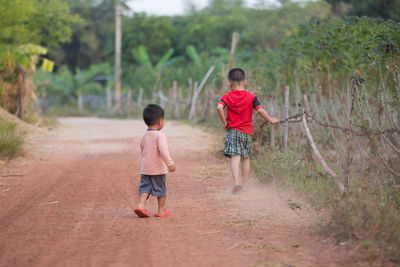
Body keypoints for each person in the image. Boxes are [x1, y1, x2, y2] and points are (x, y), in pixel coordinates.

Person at [216, 68, 279, 194]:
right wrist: (271, 120)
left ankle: (236, 183)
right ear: (245, 82)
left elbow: (219, 107)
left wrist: (225, 122)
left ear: (229, 84)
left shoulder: (226, 96)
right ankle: (244, 186)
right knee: (245, 158)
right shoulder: (251, 96)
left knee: (235, 157)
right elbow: (260, 110)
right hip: (247, 132)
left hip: (233, 131)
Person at [134, 104, 175, 218]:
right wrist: (170, 163)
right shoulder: (160, 135)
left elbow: (143, 150)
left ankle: (141, 205)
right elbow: (164, 151)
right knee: (160, 189)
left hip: (145, 168)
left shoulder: (145, 136)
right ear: (161, 121)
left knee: (144, 187)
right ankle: (161, 210)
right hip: (158, 169)